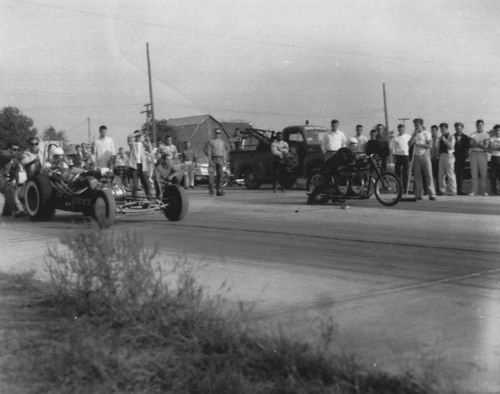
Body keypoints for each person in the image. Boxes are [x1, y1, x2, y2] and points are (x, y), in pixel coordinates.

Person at [409, 118, 436, 200]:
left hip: (425, 155)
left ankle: (432, 194)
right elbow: (409, 144)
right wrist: (413, 135)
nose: (416, 126)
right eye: (415, 125)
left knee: (428, 175)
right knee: (417, 176)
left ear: (421, 125)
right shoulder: (414, 134)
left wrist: (419, 145)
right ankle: (419, 194)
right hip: (416, 156)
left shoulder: (426, 133)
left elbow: (430, 146)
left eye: (417, 125)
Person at [204, 128, 228, 196]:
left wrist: (225, 160)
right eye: (217, 133)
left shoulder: (222, 142)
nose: (218, 134)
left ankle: (219, 190)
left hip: (220, 159)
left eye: (219, 133)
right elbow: (207, 151)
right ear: (214, 133)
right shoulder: (211, 141)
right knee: (211, 176)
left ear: (220, 134)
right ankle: (211, 190)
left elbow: (225, 151)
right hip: (213, 159)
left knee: (220, 175)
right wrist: (210, 159)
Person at [469, 119, 489, 196]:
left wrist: (476, 143)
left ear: (483, 125)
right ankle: (474, 191)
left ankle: (484, 191)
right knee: (474, 173)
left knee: (483, 173)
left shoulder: (486, 135)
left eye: (481, 125)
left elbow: (486, 147)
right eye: (478, 125)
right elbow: (471, 144)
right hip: (473, 154)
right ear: (476, 126)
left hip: (482, 154)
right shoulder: (472, 134)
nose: (479, 126)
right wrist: (480, 143)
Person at [128, 130, 151, 199]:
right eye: (137, 136)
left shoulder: (143, 144)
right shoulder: (132, 144)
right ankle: (134, 198)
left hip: (142, 166)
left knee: (146, 183)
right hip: (134, 166)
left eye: (139, 136)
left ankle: (149, 197)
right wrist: (138, 133)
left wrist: (147, 139)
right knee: (135, 184)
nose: (138, 137)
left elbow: (150, 148)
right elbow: (129, 137)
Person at [437, 123, 457, 195]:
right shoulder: (440, 137)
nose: (442, 130)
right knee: (441, 174)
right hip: (442, 156)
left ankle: (453, 190)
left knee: (450, 173)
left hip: (449, 156)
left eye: (443, 129)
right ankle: (442, 190)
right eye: (441, 129)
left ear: (446, 128)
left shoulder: (451, 136)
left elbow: (451, 146)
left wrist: (445, 140)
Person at [392, 124, 411, 193]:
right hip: (398, 156)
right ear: (398, 129)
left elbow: (411, 145)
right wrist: (394, 157)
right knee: (397, 174)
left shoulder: (408, 136)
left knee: (405, 173)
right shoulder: (395, 138)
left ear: (404, 129)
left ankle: (406, 189)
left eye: (402, 129)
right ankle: (398, 188)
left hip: (406, 156)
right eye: (399, 129)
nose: (401, 130)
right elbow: (393, 149)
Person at [454, 122, 470, 195]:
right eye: (457, 128)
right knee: (453, 174)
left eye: (459, 128)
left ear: (462, 128)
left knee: (460, 174)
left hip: (462, 158)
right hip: (453, 158)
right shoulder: (452, 136)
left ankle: (459, 190)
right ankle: (454, 190)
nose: (458, 129)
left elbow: (467, 148)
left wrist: (466, 156)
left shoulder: (466, 137)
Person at [488, 124, 500, 195]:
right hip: (494, 158)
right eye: (496, 130)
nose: (498, 132)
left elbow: (493, 147)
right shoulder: (491, 139)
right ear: (494, 131)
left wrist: (494, 147)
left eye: (499, 130)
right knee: (493, 176)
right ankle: (494, 191)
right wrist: (496, 147)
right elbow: (489, 149)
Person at [430, 125, 441, 194]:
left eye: (434, 130)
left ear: (437, 131)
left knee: (438, 175)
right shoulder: (429, 139)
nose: (433, 132)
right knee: (431, 175)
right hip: (430, 159)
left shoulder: (440, 139)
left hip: (438, 159)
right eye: (432, 130)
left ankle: (438, 189)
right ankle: (431, 190)